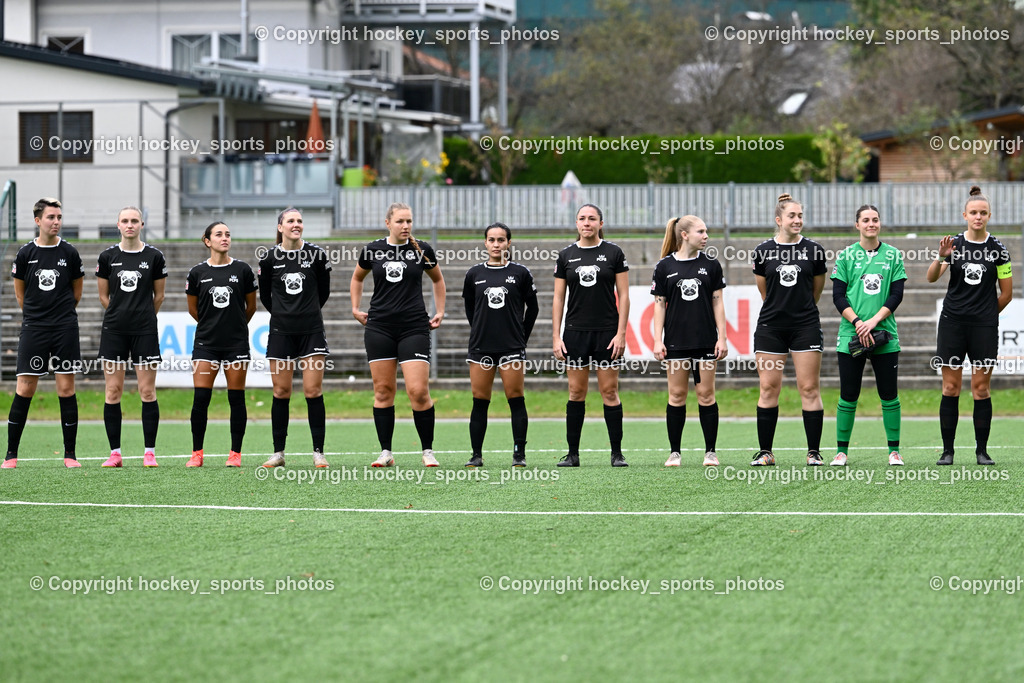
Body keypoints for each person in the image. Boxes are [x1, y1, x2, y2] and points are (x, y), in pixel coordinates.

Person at [351, 202, 446, 468]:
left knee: (418, 391)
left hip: (414, 327)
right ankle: (386, 452)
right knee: (383, 391)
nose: (406, 226)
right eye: (400, 221)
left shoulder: (422, 250)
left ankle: (427, 451)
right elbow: (357, 278)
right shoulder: (372, 250)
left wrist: (440, 311)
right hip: (379, 327)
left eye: (409, 221)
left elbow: (438, 280)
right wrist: (355, 308)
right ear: (388, 223)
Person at [926, 185, 1012, 466]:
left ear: (989, 216)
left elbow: (1007, 294)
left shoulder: (998, 250)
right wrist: (941, 256)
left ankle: (981, 451)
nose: (978, 217)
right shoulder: (954, 245)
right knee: (950, 387)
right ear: (965, 215)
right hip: (952, 324)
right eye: (973, 212)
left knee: (980, 389)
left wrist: (986, 316)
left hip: (983, 328)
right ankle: (947, 451)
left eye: (983, 213)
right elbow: (931, 278)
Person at [3, 198, 85, 469]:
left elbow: (76, 293)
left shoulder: (70, 253)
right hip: (34, 329)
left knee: (66, 388)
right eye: (51, 217)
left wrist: (60, 316)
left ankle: (70, 454)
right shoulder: (25, 253)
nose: (56, 221)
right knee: (25, 388)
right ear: (38, 221)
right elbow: (20, 295)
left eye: (59, 217)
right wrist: (37, 317)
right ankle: (11, 455)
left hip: (64, 329)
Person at [750, 193, 827, 466]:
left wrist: (800, 311)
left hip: (805, 326)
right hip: (771, 327)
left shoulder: (814, 250)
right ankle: (766, 452)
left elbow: (816, 291)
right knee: (768, 387)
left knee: (809, 387)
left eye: (800, 216)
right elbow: (765, 292)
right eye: (792, 215)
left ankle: (813, 452)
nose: (797, 220)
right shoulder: (762, 251)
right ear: (778, 219)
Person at [552, 203, 630, 467]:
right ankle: (572, 454)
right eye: (582, 218)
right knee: (576, 392)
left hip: (607, 333)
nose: (587, 223)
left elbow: (624, 296)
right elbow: (558, 298)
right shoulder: (566, 255)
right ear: (576, 223)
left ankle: (616, 453)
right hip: (575, 334)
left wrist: (621, 333)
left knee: (610, 391)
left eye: (592, 219)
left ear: (600, 223)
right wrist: (556, 336)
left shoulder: (614, 253)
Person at [830, 205, 906, 467]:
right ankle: (841, 452)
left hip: (885, 334)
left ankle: (894, 451)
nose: (871, 224)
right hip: (851, 334)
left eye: (875, 219)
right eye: (866, 220)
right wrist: (858, 322)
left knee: (889, 394)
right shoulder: (846, 256)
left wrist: (873, 321)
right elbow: (838, 296)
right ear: (857, 225)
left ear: (879, 223)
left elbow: (896, 295)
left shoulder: (893, 255)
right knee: (848, 394)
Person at [651, 216, 727, 468]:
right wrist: (657, 340)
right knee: (676, 395)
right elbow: (659, 305)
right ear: (684, 234)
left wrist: (722, 337)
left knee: (706, 395)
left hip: (705, 340)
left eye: (706, 231)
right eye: (701, 231)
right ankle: (675, 453)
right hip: (676, 341)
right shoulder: (664, 266)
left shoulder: (711, 265)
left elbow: (718, 302)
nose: (706, 236)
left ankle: (710, 453)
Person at [258, 208, 332, 469]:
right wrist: (284, 314)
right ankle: (278, 453)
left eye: (300, 220)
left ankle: (318, 452)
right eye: (290, 221)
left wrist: (306, 312)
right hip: (281, 332)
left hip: (312, 331)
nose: (296, 224)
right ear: (280, 227)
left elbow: (324, 292)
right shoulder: (269, 259)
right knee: (281, 391)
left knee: (313, 390)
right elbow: (265, 296)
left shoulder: (316, 255)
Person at [461, 222, 539, 468]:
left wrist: (521, 337)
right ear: (485, 243)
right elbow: (470, 309)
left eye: (501, 240)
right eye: (492, 240)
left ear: (509, 242)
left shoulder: (521, 273)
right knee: (480, 400)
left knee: (515, 398)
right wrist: (480, 330)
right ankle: (476, 455)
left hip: (511, 348)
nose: (496, 244)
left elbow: (533, 308)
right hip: (481, 347)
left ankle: (519, 455)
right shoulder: (474, 274)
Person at [97, 207, 168, 468]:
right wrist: (119, 315)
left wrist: (143, 317)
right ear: (118, 225)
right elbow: (104, 296)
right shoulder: (107, 257)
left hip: (144, 331)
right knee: (113, 390)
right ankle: (115, 453)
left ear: (142, 225)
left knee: (147, 391)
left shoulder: (154, 256)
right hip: (114, 331)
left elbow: (159, 296)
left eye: (134, 221)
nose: (130, 225)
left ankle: (149, 453)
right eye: (125, 221)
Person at [184, 221, 257, 467]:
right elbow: (194, 310)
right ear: (208, 241)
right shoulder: (197, 273)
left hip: (236, 344)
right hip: (206, 344)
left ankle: (235, 454)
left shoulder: (243, 270)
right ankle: (197, 453)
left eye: (227, 234)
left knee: (236, 398)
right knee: (201, 398)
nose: (224, 238)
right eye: (219, 234)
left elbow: (251, 307)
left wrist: (234, 327)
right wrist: (211, 327)